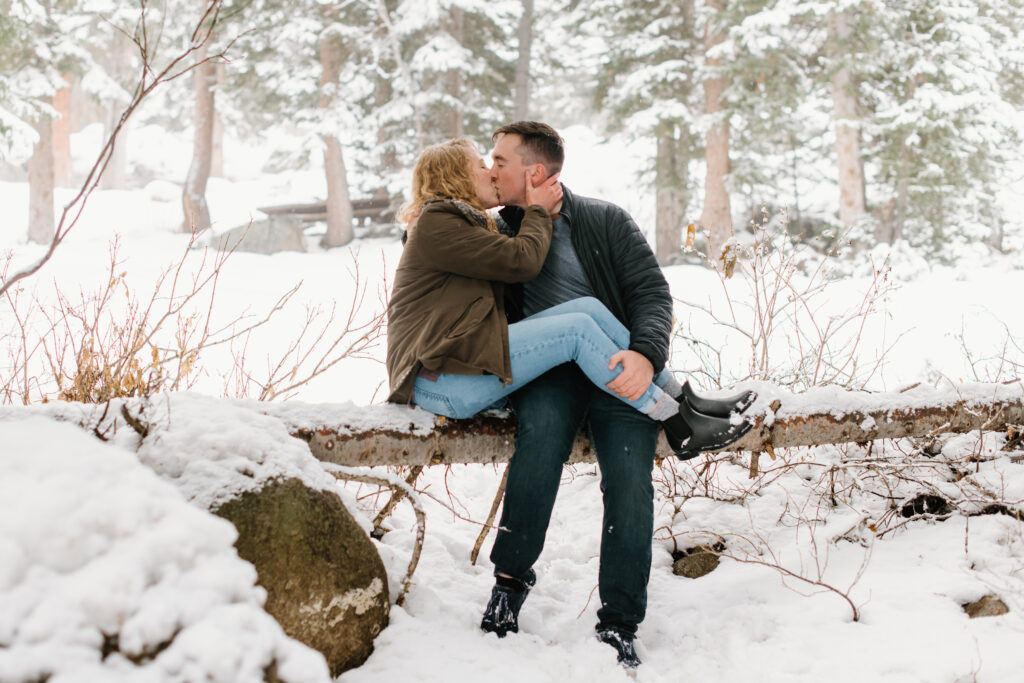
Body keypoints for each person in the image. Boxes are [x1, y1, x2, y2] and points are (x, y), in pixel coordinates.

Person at [479, 122, 754, 669]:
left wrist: (647, 355)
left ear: (535, 173)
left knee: (629, 479)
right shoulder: (494, 232)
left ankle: (620, 621)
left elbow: (652, 292)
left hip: (616, 368)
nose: (491, 170)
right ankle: (509, 583)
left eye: (500, 161)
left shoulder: (604, 220)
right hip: (548, 376)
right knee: (540, 445)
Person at [385, 138, 754, 458]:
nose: (491, 174)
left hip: (460, 365)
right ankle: (678, 425)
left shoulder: (458, 225)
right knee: (576, 330)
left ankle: (684, 401)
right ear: (456, 177)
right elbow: (522, 260)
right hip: (438, 382)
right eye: (482, 167)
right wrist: (536, 211)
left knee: (588, 309)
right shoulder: (437, 223)